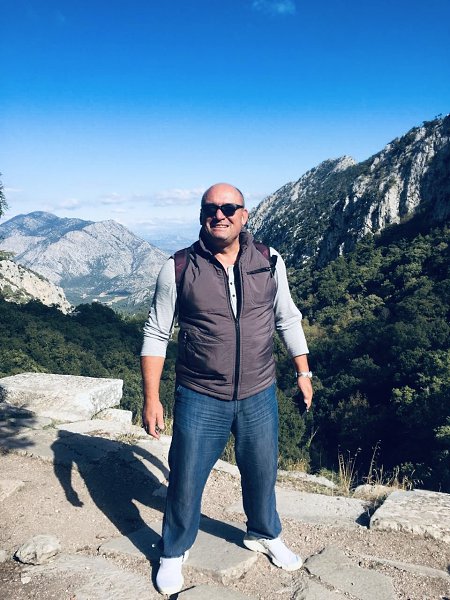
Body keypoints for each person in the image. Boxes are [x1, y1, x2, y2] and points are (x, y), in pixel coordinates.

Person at [141, 183, 313, 595]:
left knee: (262, 471)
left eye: (228, 207)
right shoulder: (179, 267)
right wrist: (151, 397)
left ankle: (264, 533)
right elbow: (156, 332)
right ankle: (174, 549)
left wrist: (303, 372)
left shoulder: (269, 260)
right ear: (201, 215)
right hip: (200, 393)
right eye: (210, 208)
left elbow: (287, 318)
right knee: (186, 476)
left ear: (244, 215)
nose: (219, 215)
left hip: (259, 391)